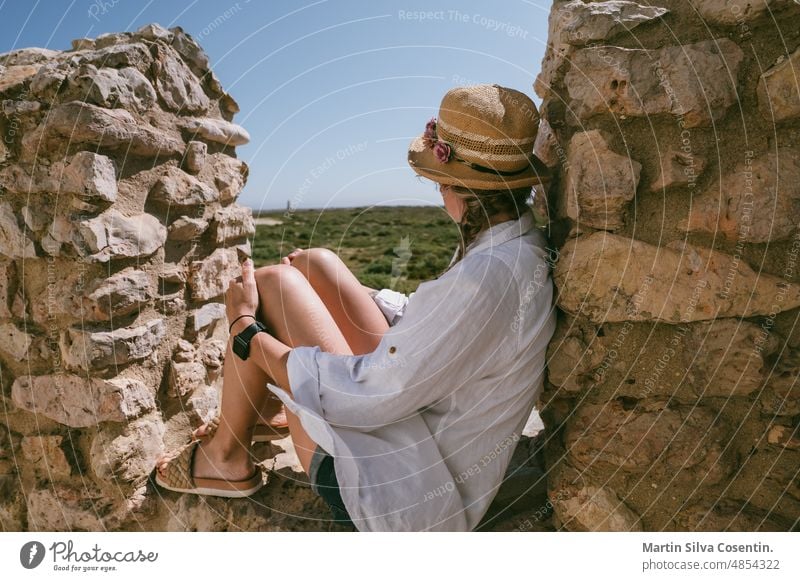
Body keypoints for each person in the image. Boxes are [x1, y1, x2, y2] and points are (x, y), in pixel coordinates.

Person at [154, 84, 557, 532]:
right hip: (421, 427)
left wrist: (246, 328)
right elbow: (436, 329)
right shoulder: (515, 243)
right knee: (315, 265)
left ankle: (226, 458)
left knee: (273, 285)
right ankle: (264, 412)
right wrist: (352, 292)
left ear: (452, 181)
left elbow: (372, 393)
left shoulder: (486, 280)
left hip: (404, 492)